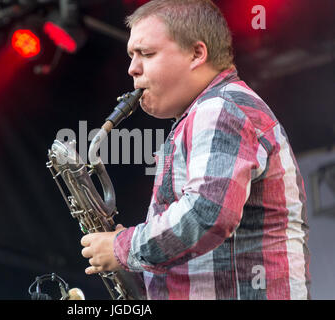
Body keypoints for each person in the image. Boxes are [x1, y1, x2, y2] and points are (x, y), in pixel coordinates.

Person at [80, 0, 311, 300]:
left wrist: (123, 247)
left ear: (197, 54)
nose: (132, 68)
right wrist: (141, 258)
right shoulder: (203, 114)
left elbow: (207, 213)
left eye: (146, 54)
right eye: (131, 56)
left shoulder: (220, 107)